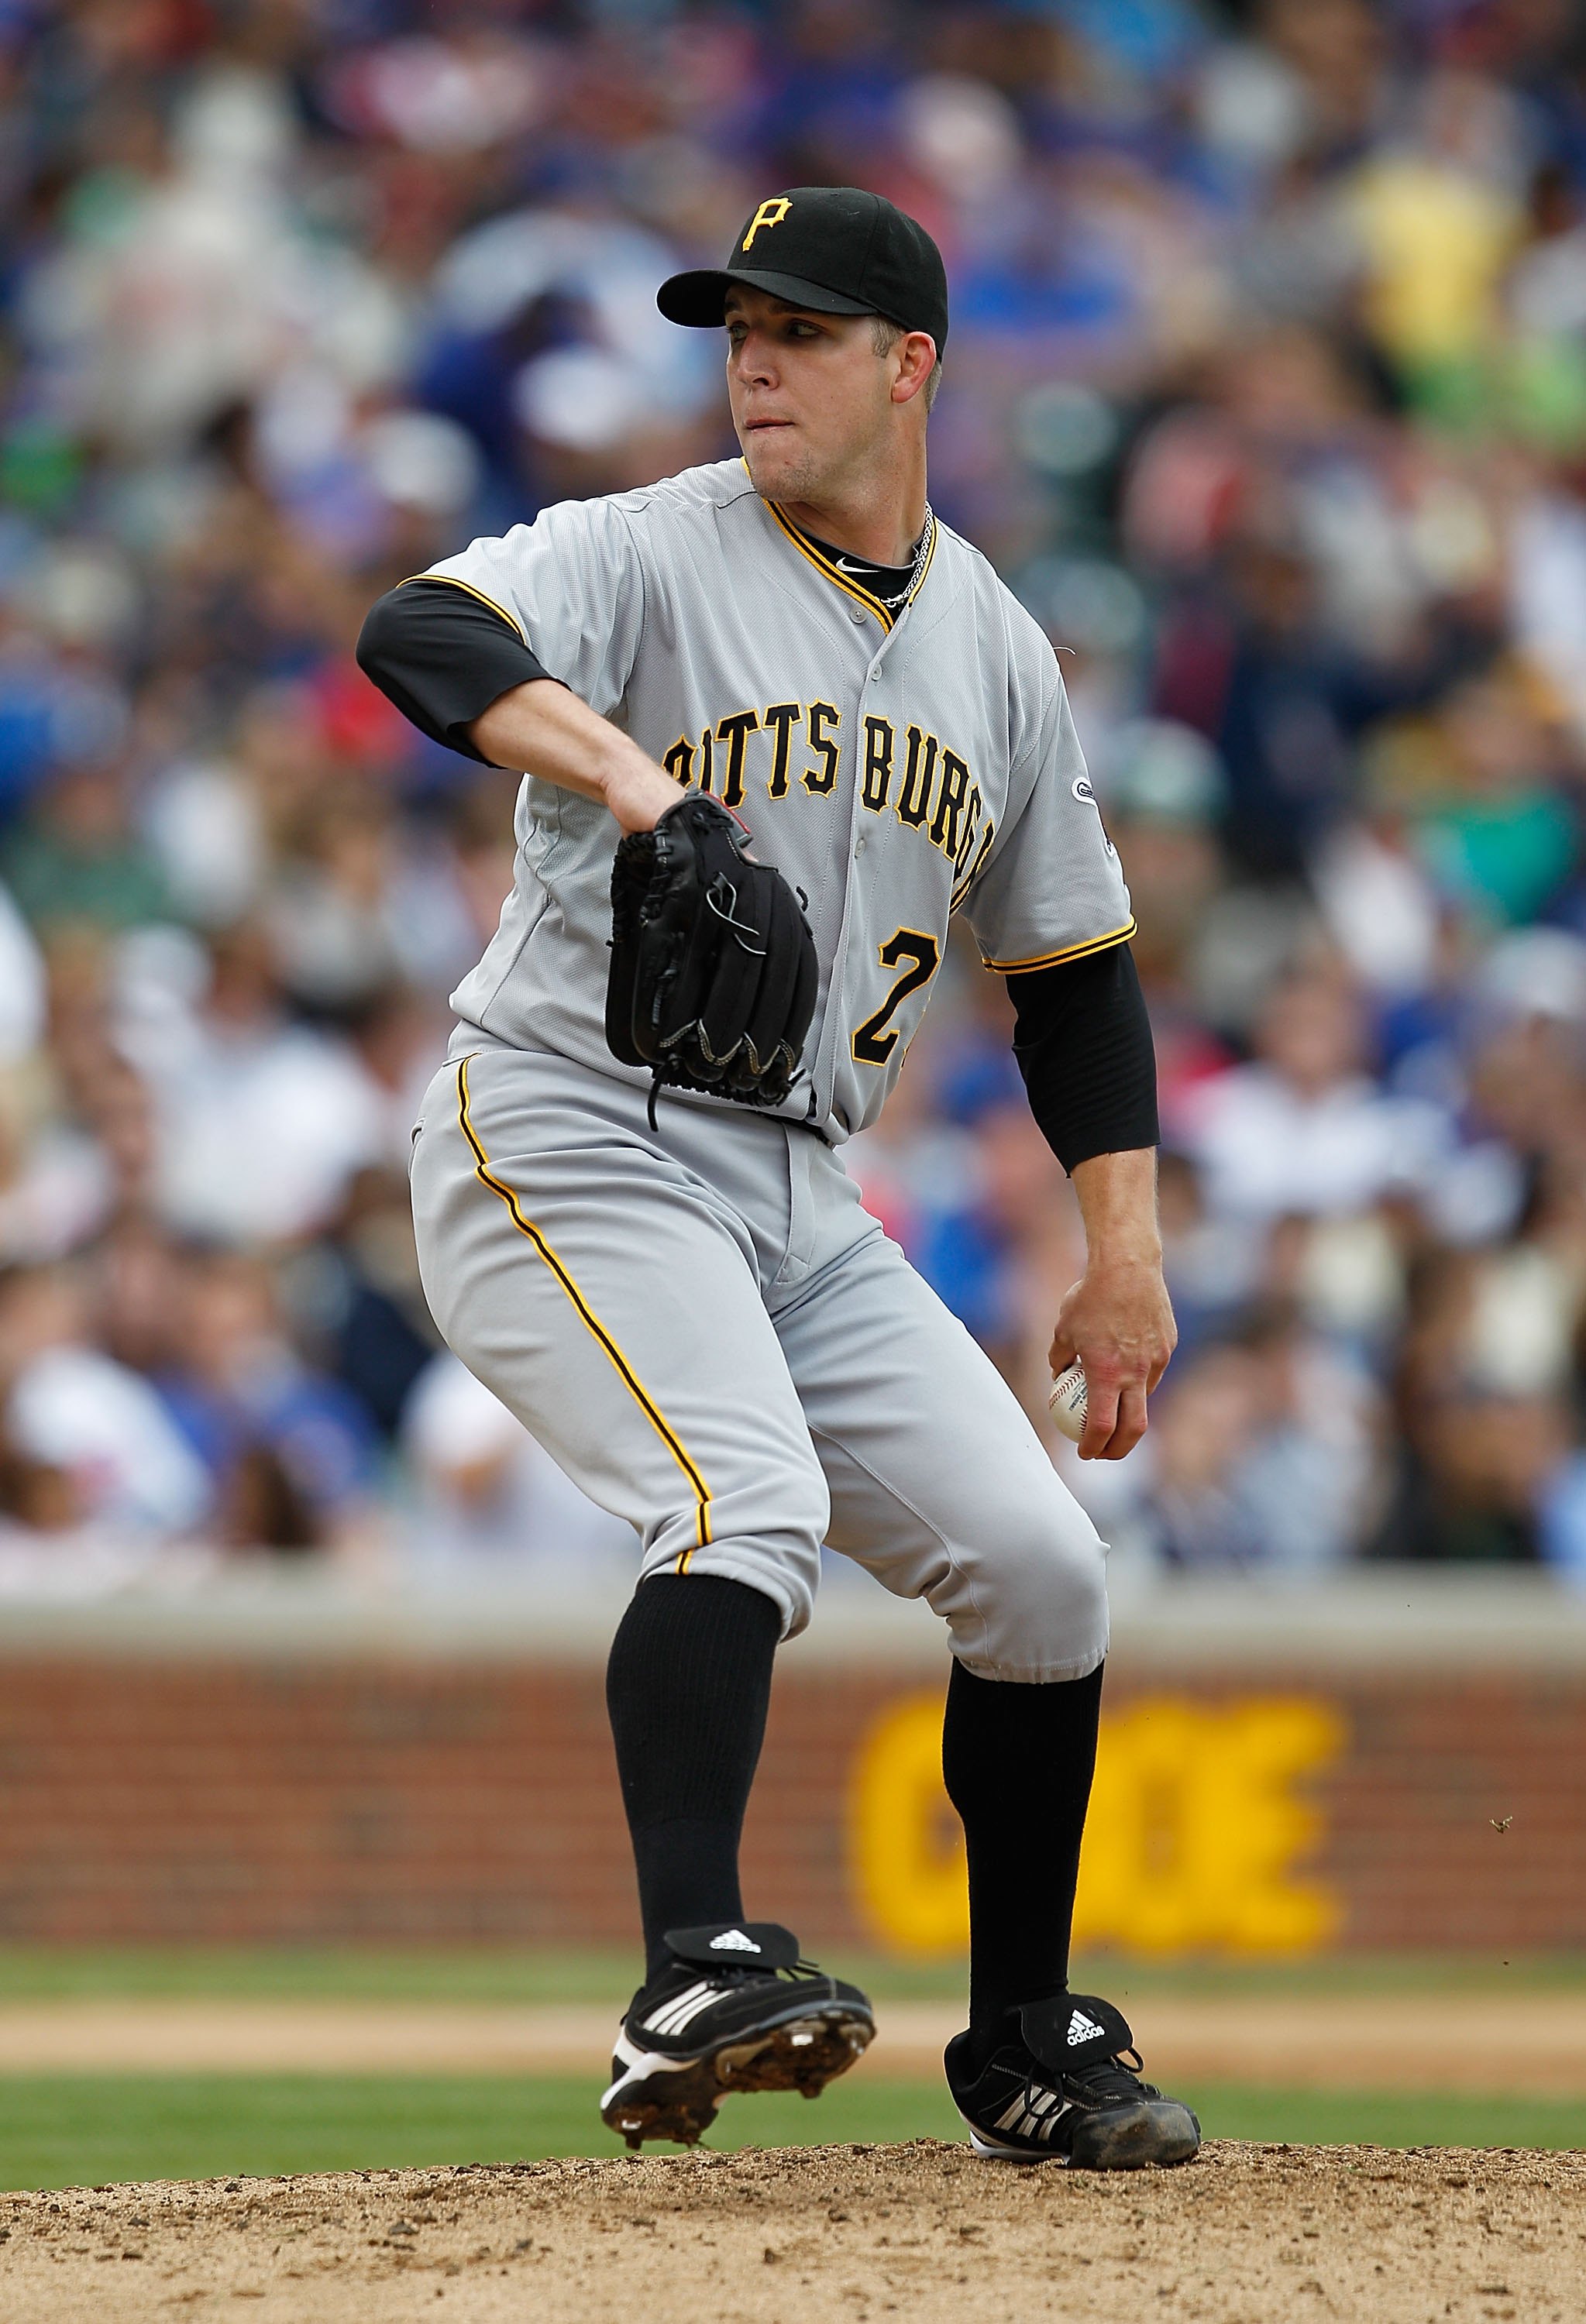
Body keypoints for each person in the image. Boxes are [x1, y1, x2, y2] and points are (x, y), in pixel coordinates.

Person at [360, 187, 1196, 2168]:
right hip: (566, 1123)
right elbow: (417, 629)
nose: (753, 360)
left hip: (807, 1192)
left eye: (802, 330)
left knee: (1044, 1570)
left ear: (910, 364)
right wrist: (643, 790)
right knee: (742, 1497)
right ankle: (687, 1969)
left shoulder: (995, 645)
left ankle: (1021, 2041)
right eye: (736, 326)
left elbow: (1073, 978)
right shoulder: (645, 551)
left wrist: (1123, 1255)